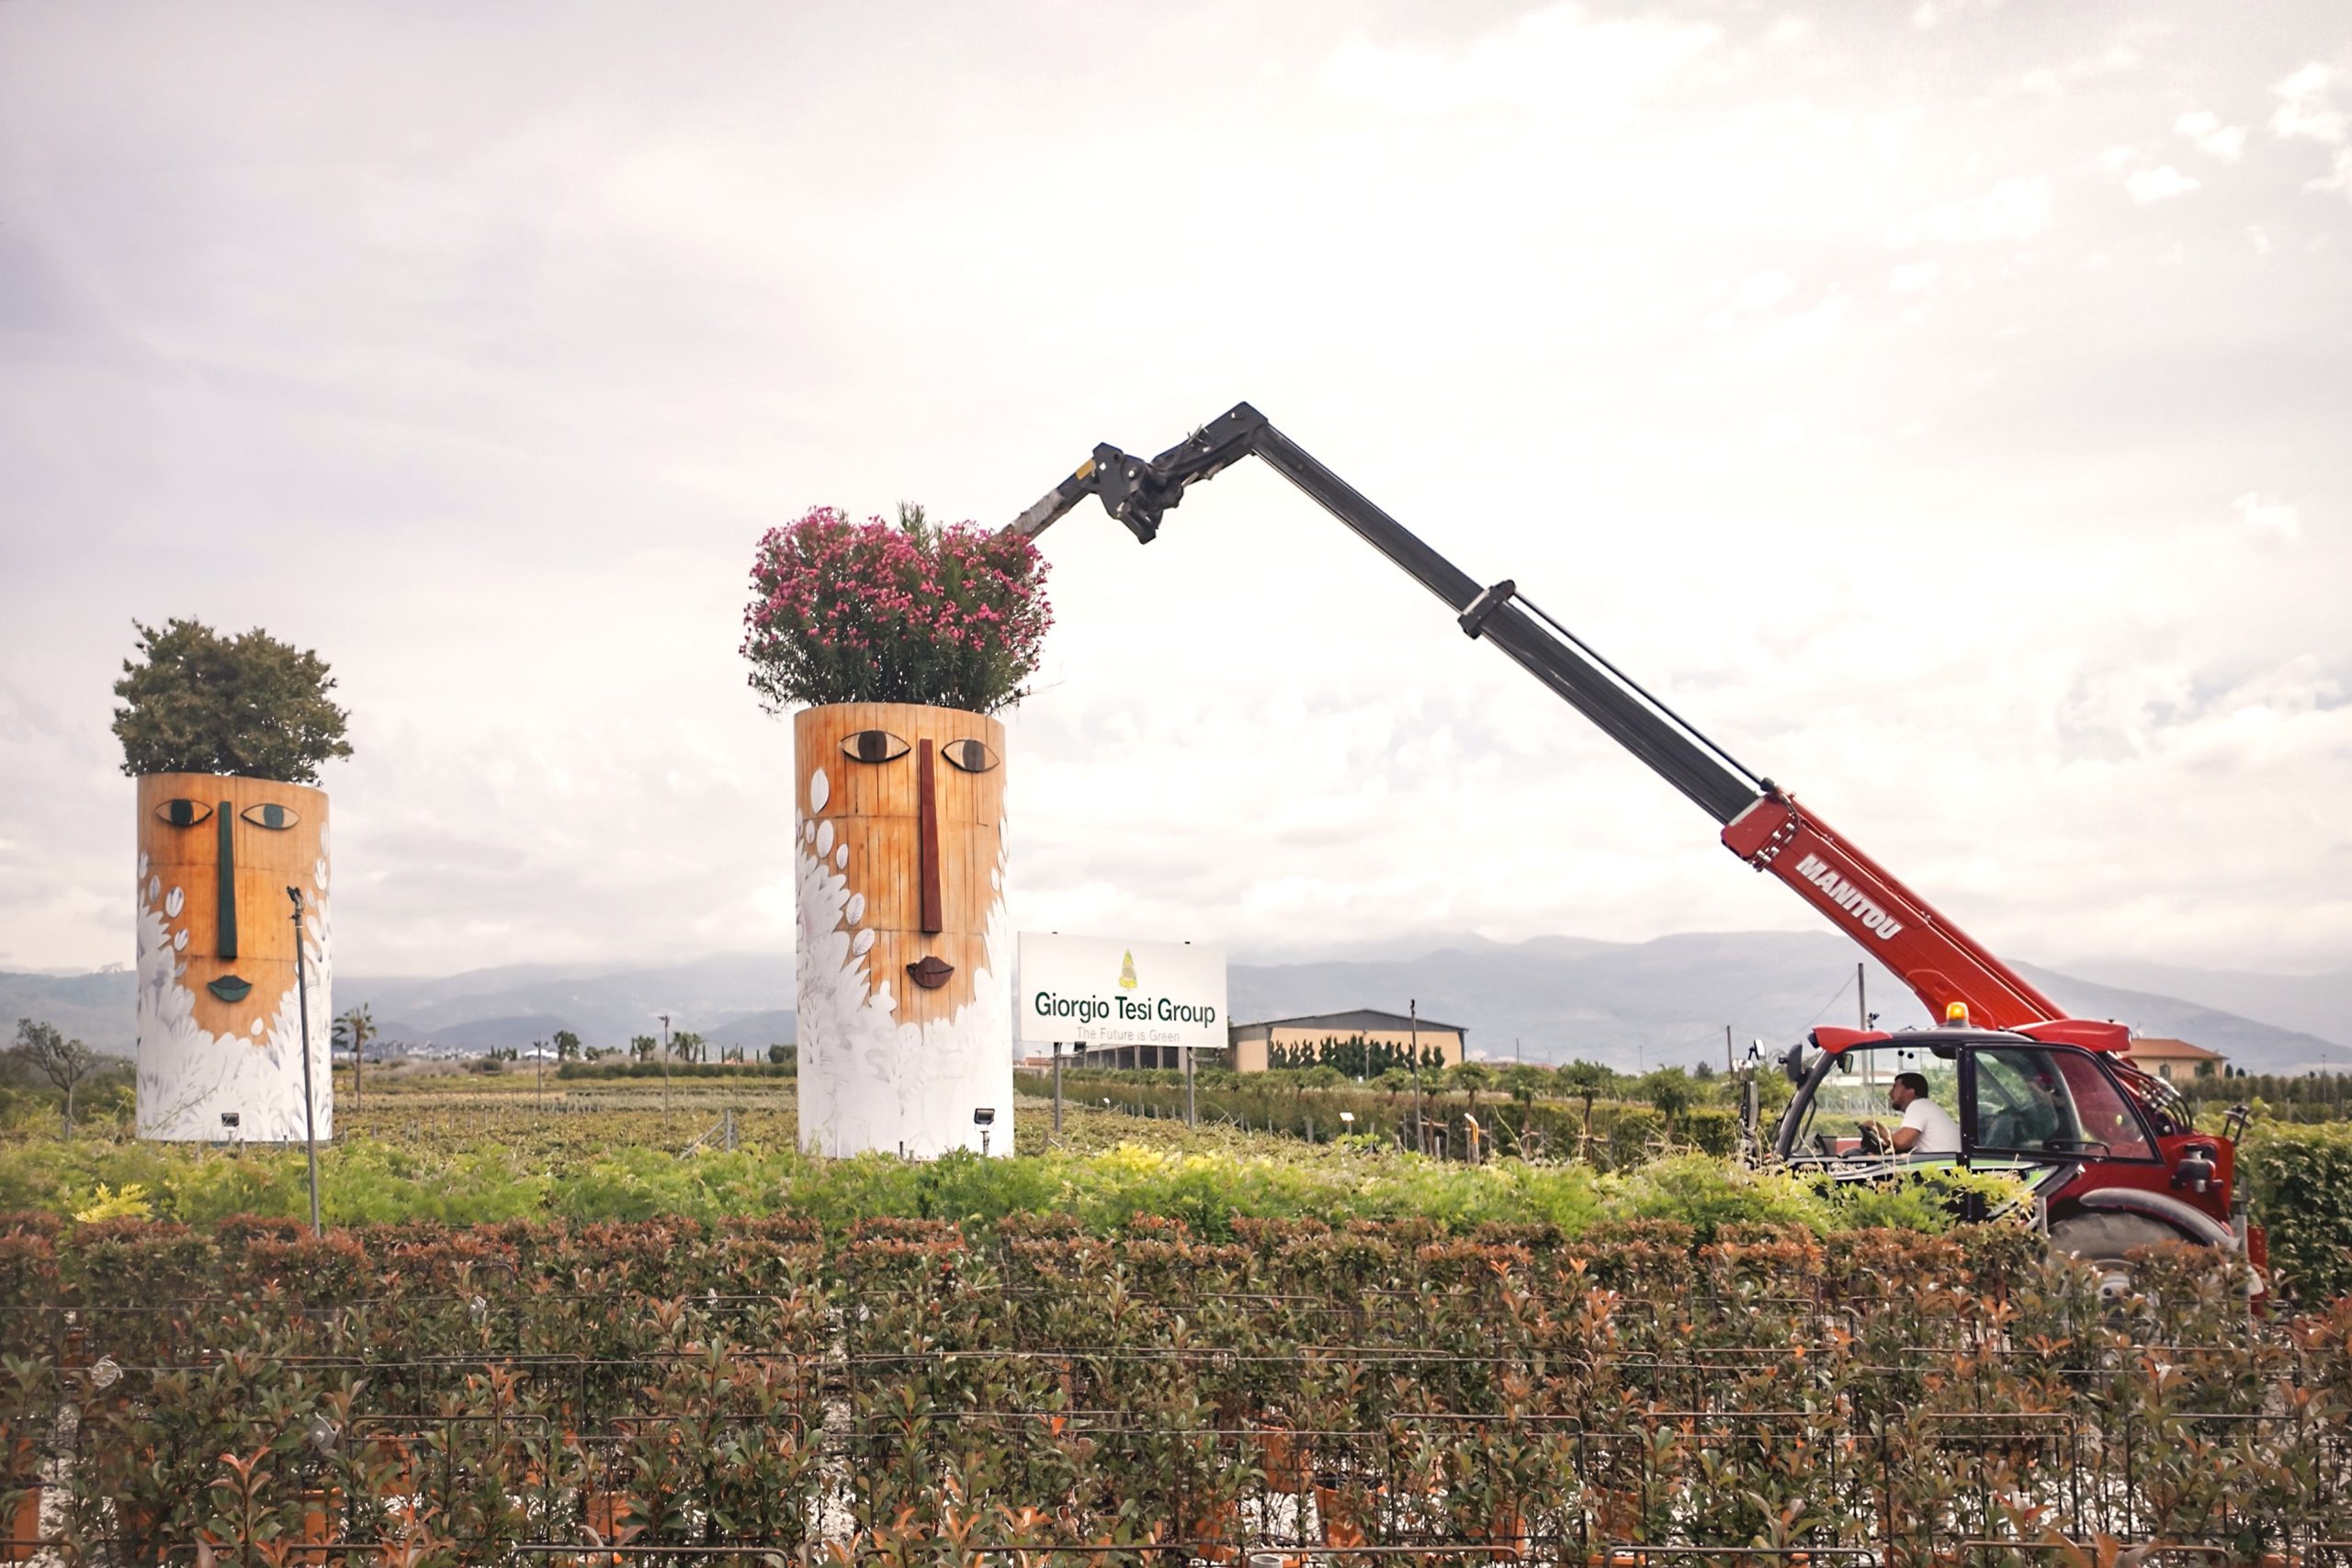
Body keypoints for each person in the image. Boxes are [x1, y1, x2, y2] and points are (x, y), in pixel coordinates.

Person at [1859, 1071, 1961, 1157]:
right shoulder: (1925, 1106)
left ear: (1911, 1092)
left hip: (1942, 1168)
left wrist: (1874, 1125)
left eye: (1895, 1088)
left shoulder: (1918, 1106)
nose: (1890, 1093)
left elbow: (1900, 1142)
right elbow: (1905, 1146)